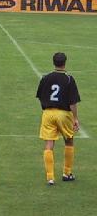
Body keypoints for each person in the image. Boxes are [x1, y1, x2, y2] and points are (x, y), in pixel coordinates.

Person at [36, 53, 81, 186]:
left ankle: (50, 177)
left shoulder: (45, 78)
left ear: (53, 62)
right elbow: (73, 102)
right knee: (69, 141)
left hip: (48, 113)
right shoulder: (69, 79)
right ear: (65, 62)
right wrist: (75, 118)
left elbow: (40, 96)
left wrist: (46, 109)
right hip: (63, 114)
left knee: (49, 144)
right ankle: (67, 173)